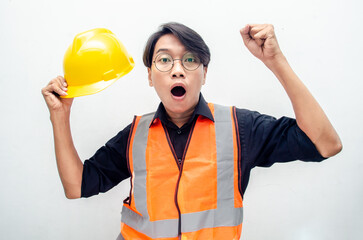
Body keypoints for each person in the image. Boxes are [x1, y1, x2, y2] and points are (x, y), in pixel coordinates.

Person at [42, 22, 342, 240]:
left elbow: (325, 144)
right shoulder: (135, 135)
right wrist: (61, 115)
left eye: (190, 59)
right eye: (163, 60)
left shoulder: (240, 129)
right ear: (149, 76)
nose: (177, 69)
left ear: (204, 73)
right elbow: (76, 186)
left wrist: (275, 61)